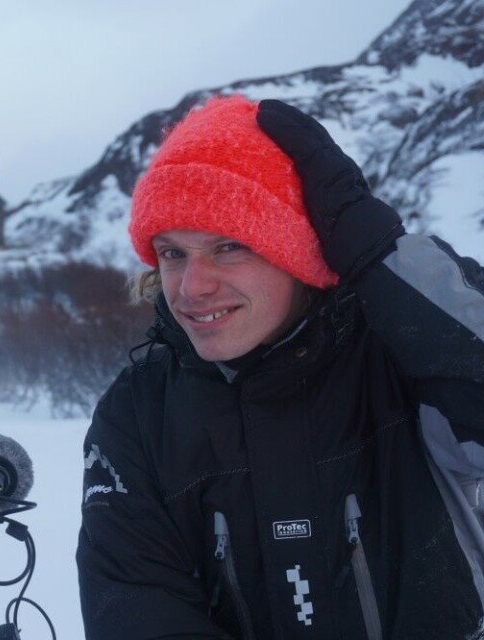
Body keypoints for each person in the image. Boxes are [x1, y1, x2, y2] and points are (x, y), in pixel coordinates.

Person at [76, 95, 484, 639]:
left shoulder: (399, 359)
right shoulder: (138, 413)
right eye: (172, 253)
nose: (193, 287)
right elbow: (136, 607)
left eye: (228, 246)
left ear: (298, 255)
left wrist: (380, 252)